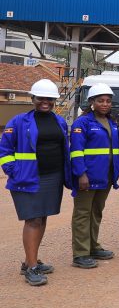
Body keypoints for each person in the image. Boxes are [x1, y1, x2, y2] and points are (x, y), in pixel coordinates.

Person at [0, 79, 70, 286]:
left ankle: (30, 260)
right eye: (41, 98)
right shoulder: (18, 122)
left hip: (52, 177)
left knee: (42, 218)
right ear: (33, 99)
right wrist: (14, 171)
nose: (45, 102)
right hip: (28, 178)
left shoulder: (59, 121)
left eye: (49, 99)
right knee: (33, 220)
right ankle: (31, 268)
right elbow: (5, 150)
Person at [70, 83, 119, 269]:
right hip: (88, 178)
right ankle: (80, 253)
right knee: (82, 214)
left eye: (108, 101)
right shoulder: (82, 124)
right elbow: (76, 151)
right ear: (92, 102)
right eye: (101, 101)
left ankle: (93, 246)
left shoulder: (112, 123)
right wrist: (81, 174)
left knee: (96, 212)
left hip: (106, 177)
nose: (105, 104)